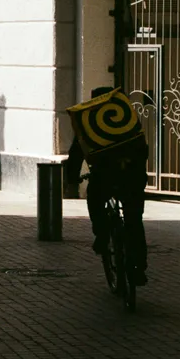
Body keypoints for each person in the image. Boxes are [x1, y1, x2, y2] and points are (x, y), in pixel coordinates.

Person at [63, 87, 149, 286]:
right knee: (134, 220)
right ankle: (139, 267)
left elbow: (76, 155)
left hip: (104, 178)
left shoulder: (89, 124)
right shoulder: (128, 123)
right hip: (132, 178)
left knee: (94, 199)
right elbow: (142, 150)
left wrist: (72, 180)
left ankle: (102, 236)